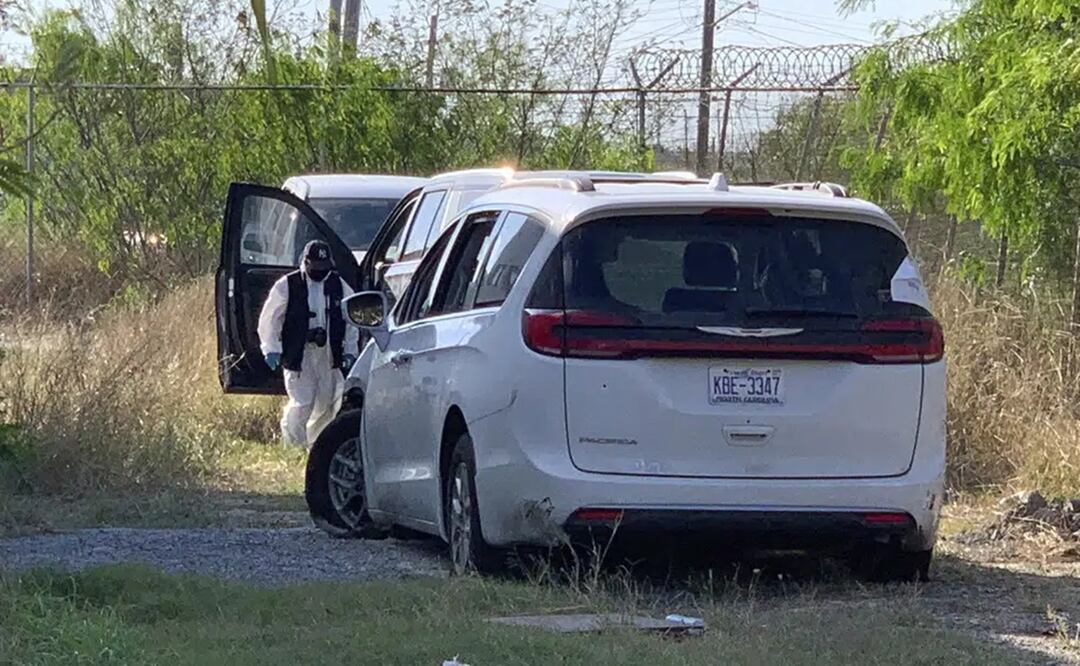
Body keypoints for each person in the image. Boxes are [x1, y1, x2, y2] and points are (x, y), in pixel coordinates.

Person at [257, 240, 358, 448]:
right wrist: (271, 349)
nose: (320, 272)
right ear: (306, 262)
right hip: (300, 354)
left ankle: (316, 446)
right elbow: (269, 319)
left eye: (324, 267)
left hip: (328, 354)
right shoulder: (288, 284)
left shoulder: (338, 285)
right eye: (316, 267)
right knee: (302, 402)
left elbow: (351, 320)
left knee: (327, 402)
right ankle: (294, 445)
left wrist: (350, 350)